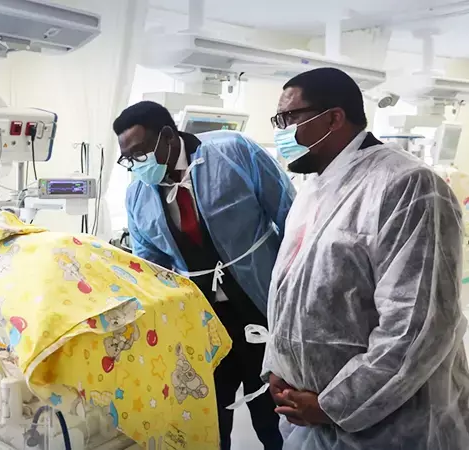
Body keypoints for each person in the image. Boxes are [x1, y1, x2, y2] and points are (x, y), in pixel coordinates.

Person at [262, 67, 469, 449]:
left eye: (289, 118)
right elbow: (290, 296)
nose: (282, 132)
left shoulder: (408, 185)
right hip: (309, 416)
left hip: (388, 428)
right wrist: (277, 367)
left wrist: (333, 405)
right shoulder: (313, 189)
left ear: (334, 118)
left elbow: (417, 326)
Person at [113, 101, 295, 449]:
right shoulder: (138, 196)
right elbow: (150, 270)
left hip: (261, 304)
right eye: (128, 158)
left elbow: (289, 215)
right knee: (208, 415)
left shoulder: (232, 152)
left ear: (168, 136)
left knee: (273, 413)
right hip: (202, 323)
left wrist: (297, 294)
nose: (136, 164)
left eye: (140, 152)